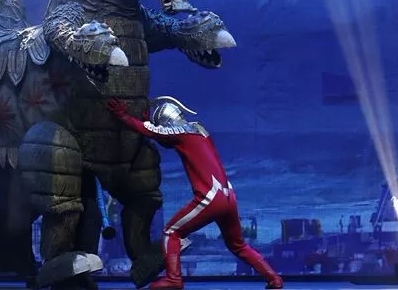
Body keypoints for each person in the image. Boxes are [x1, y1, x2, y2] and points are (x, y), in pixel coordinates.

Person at [107, 96, 283, 290]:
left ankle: (174, 279)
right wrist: (148, 122)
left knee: (171, 232)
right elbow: (165, 139)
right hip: (228, 195)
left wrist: (124, 116)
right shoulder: (199, 130)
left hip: (211, 196)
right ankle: (273, 278)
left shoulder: (180, 132)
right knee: (238, 245)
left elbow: (154, 132)